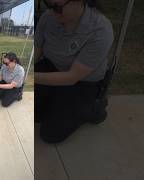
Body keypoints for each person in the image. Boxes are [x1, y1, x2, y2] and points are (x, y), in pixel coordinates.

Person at [35, 0, 114, 143]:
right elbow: (37, 49)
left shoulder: (100, 29)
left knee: (51, 134)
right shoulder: (48, 17)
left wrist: (31, 78)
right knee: (35, 115)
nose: (52, 12)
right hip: (51, 66)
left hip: (82, 82)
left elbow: (72, 77)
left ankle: (93, 108)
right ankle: (56, 101)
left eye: (57, 7)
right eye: (48, 5)